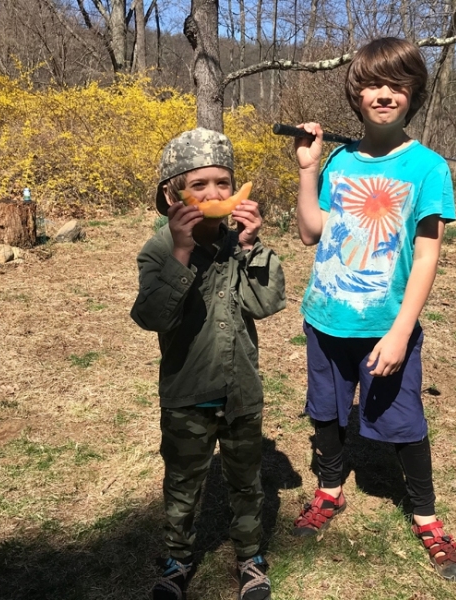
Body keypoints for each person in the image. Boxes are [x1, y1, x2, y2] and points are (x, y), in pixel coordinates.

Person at [290, 37, 456, 582]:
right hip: (325, 318)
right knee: (326, 409)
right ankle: (329, 490)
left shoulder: (427, 168)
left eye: (397, 84)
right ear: (356, 93)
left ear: (413, 93)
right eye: (372, 84)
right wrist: (308, 168)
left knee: (404, 421)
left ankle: (426, 516)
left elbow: (426, 254)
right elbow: (309, 232)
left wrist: (400, 332)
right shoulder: (340, 160)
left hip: (385, 326)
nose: (384, 94)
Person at [131, 128, 286, 600]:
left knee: (246, 481)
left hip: (241, 389)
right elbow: (152, 315)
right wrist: (180, 253)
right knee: (183, 483)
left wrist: (252, 247)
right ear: (170, 193)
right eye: (199, 185)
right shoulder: (158, 249)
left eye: (223, 183)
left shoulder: (240, 244)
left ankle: (250, 558)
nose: (214, 194)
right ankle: (177, 559)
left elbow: (266, 302)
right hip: (187, 392)